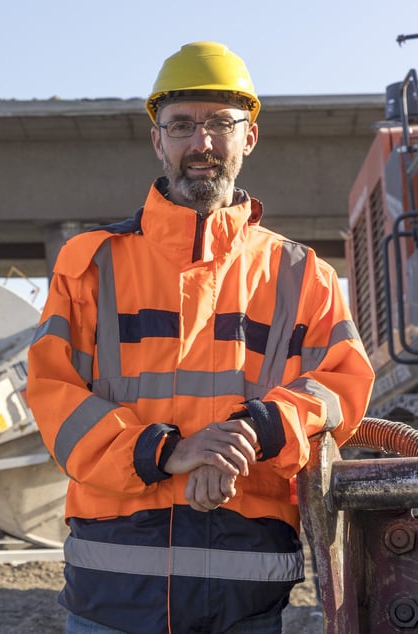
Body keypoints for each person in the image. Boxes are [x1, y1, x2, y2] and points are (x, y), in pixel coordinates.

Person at [26, 41, 375, 634]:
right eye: (183, 125)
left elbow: (341, 384)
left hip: (245, 598)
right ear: (158, 140)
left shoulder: (303, 275)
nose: (202, 143)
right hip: (114, 595)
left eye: (220, 123)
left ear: (250, 137)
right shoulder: (89, 265)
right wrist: (168, 453)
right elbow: (53, 397)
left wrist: (250, 434)